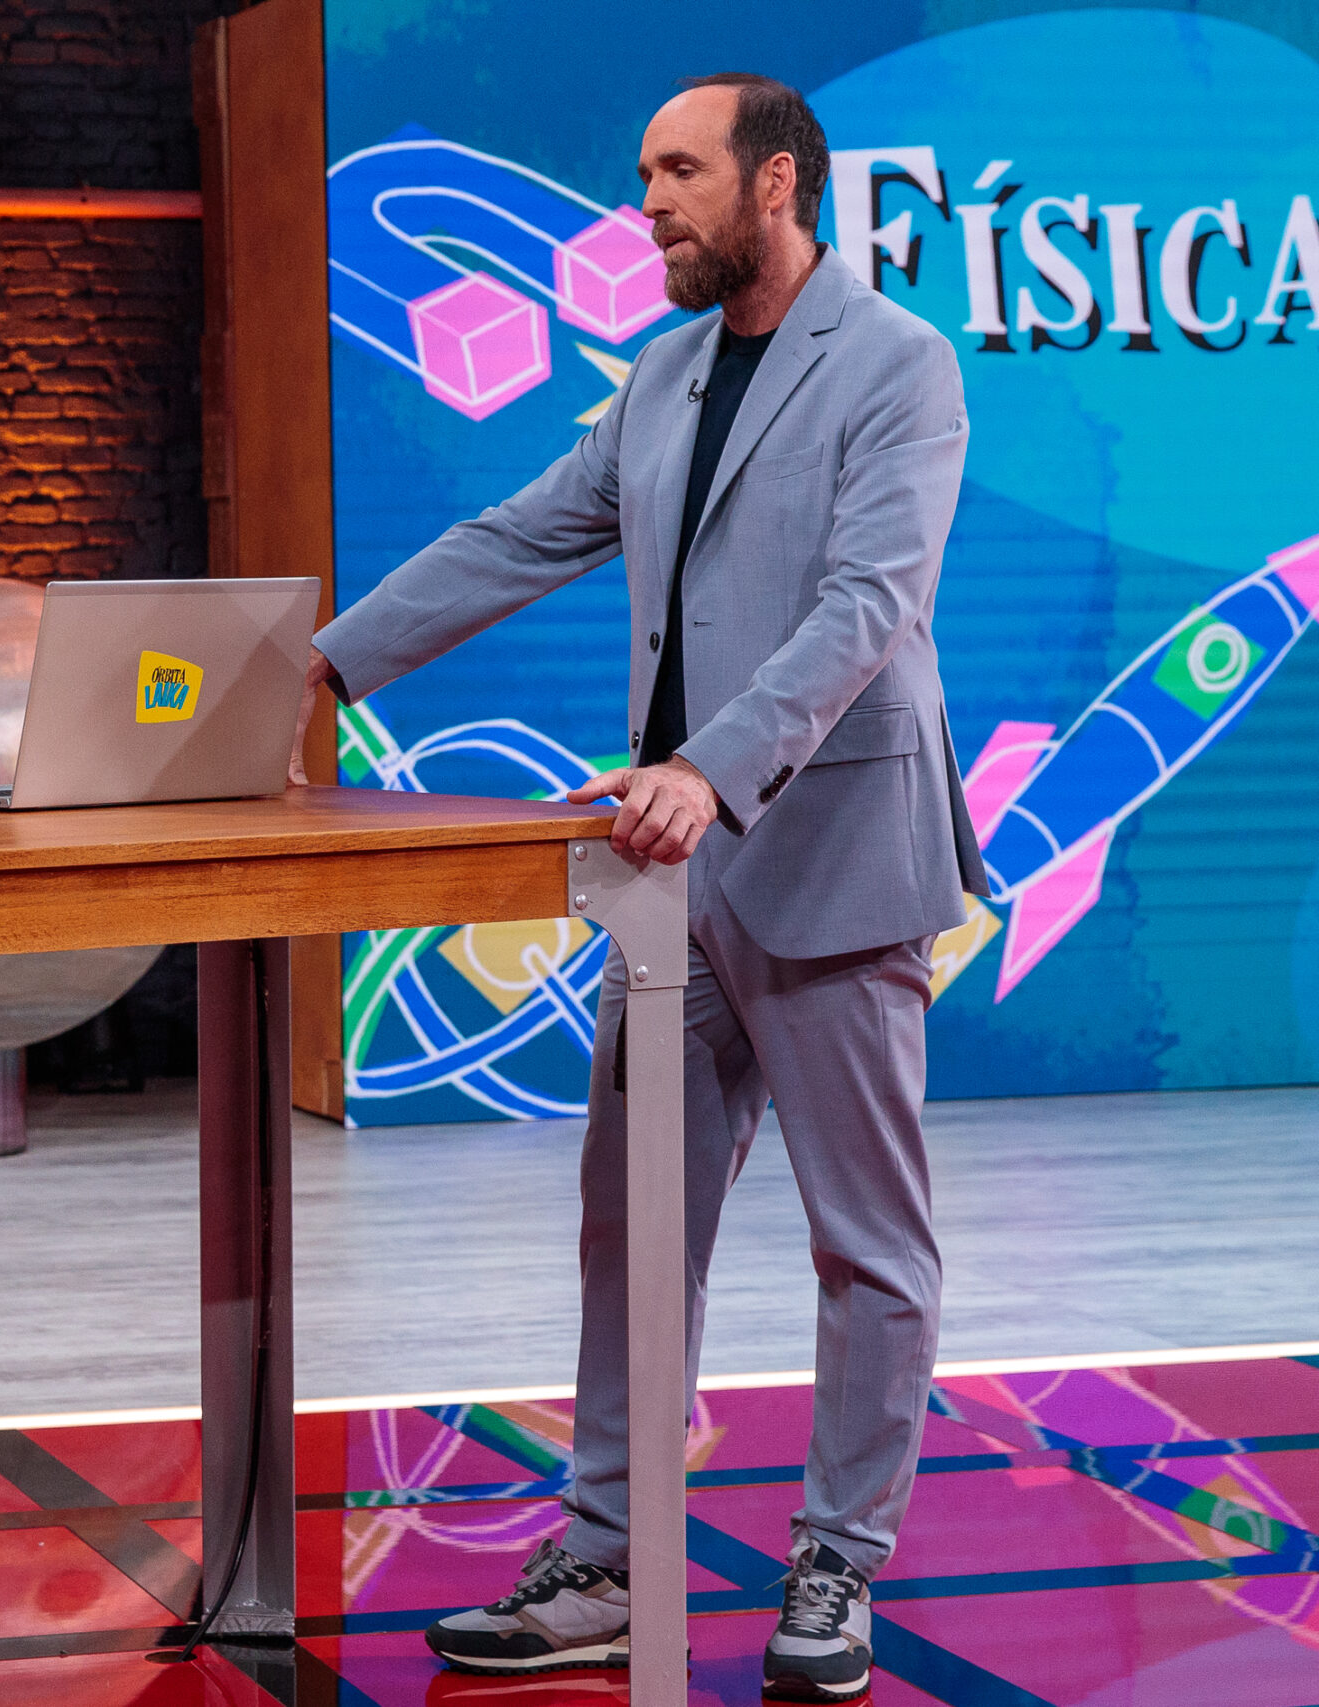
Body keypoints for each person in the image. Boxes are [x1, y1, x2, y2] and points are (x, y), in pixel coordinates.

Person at [292, 75, 983, 1704]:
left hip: (824, 853)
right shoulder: (662, 374)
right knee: (629, 1230)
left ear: (779, 182)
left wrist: (713, 763)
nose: (650, 205)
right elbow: (518, 534)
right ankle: (608, 1555)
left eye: (680, 174)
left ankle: (839, 1563)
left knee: (866, 1243)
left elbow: (870, 605)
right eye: (645, 177)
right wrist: (313, 670)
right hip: (671, 884)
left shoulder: (901, 366)